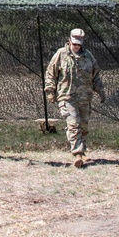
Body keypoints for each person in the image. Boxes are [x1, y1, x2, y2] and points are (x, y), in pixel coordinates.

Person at [44, 28, 104, 168]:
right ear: (69, 40)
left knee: (83, 125)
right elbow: (50, 74)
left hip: (84, 97)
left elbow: (95, 75)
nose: (76, 46)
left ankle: (82, 150)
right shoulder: (61, 54)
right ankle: (77, 153)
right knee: (73, 123)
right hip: (66, 96)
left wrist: (100, 91)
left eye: (79, 44)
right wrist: (50, 91)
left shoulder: (88, 56)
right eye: (74, 43)